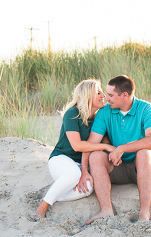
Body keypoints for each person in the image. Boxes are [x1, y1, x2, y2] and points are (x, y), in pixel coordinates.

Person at [84, 75, 151, 224]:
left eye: (111, 95)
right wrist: (84, 171)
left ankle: (144, 213)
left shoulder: (146, 109)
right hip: (118, 166)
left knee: (144, 154)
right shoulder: (105, 112)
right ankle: (106, 210)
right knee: (96, 156)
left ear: (125, 95)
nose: (106, 98)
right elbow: (90, 144)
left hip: (145, 167)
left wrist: (122, 148)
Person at [35, 79, 116, 219]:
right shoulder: (72, 113)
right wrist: (106, 146)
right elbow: (77, 145)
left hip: (80, 164)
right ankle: (43, 206)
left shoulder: (98, 118)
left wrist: (85, 171)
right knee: (73, 175)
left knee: (88, 188)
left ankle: (54, 194)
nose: (103, 96)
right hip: (61, 159)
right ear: (87, 95)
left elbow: (103, 141)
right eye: (98, 93)